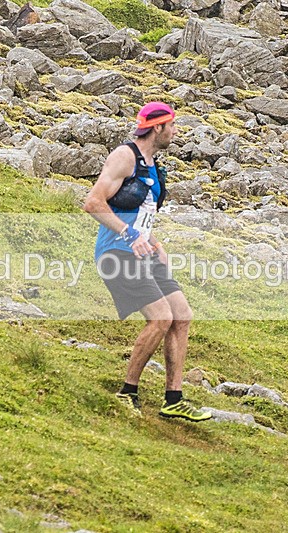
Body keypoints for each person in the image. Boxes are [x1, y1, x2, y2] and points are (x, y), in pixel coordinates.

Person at [82, 102, 211, 422]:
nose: (176, 132)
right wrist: (130, 235)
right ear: (157, 128)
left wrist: (153, 241)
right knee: (161, 318)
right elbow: (93, 202)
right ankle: (127, 391)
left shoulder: (152, 165)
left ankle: (174, 399)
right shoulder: (124, 157)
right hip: (116, 253)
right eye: (173, 126)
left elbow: (138, 215)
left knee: (181, 315)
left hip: (142, 252)